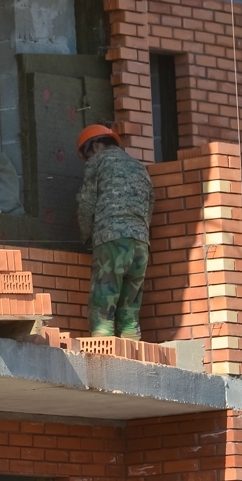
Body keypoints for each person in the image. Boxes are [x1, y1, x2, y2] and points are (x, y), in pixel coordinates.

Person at [75, 124, 155, 340]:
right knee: (130, 315)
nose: (88, 159)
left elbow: (86, 203)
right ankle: (132, 361)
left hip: (111, 240)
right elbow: (149, 204)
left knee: (103, 310)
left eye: (87, 153)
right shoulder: (139, 167)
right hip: (140, 245)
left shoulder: (99, 162)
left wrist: (87, 236)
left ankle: (104, 363)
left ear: (97, 145)